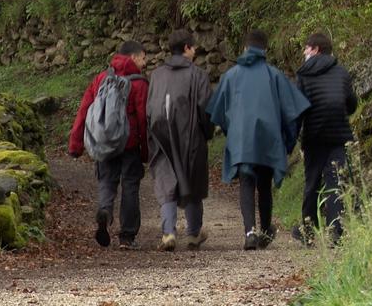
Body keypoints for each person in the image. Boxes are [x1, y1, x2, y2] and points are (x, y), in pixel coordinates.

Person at [206, 30, 311, 250]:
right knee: (264, 184)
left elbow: (217, 112)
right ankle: (264, 230)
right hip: (268, 141)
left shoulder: (231, 76)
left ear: (244, 48)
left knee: (246, 181)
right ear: (265, 50)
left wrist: (232, 132)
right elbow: (293, 112)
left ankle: (249, 231)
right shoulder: (274, 76)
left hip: (241, 141)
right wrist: (288, 143)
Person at [68, 40, 149, 250]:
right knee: (130, 186)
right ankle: (127, 236)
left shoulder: (102, 78)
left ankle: (105, 210)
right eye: (142, 58)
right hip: (129, 142)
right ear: (133, 57)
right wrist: (145, 150)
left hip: (104, 141)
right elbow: (143, 119)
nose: (144, 62)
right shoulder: (139, 84)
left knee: (106, 181)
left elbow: (85, 110)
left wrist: (75, 144)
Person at [147, 30, 214, 252]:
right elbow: (205, 108)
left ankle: (168, 232)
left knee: (166, 180)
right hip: (190, 134)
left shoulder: (156, 75)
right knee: (192, 180)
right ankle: (194, 233)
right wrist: (207, 131)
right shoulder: (198, 75)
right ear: (187, 48)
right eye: (193, 47)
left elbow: (149, 108)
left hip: (161, 134)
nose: (195, 51)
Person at [294, 33, 357, 246]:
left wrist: (297, 138)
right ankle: (336, 233)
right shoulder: (341, 72)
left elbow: (298, 109)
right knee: (335, 184)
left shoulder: (304, 75)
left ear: (316, 49)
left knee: (312, 182)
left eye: (306, 48)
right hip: (338, 134)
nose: (304, 53)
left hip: (313, 136)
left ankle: (308, 231)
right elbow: (351, 103)